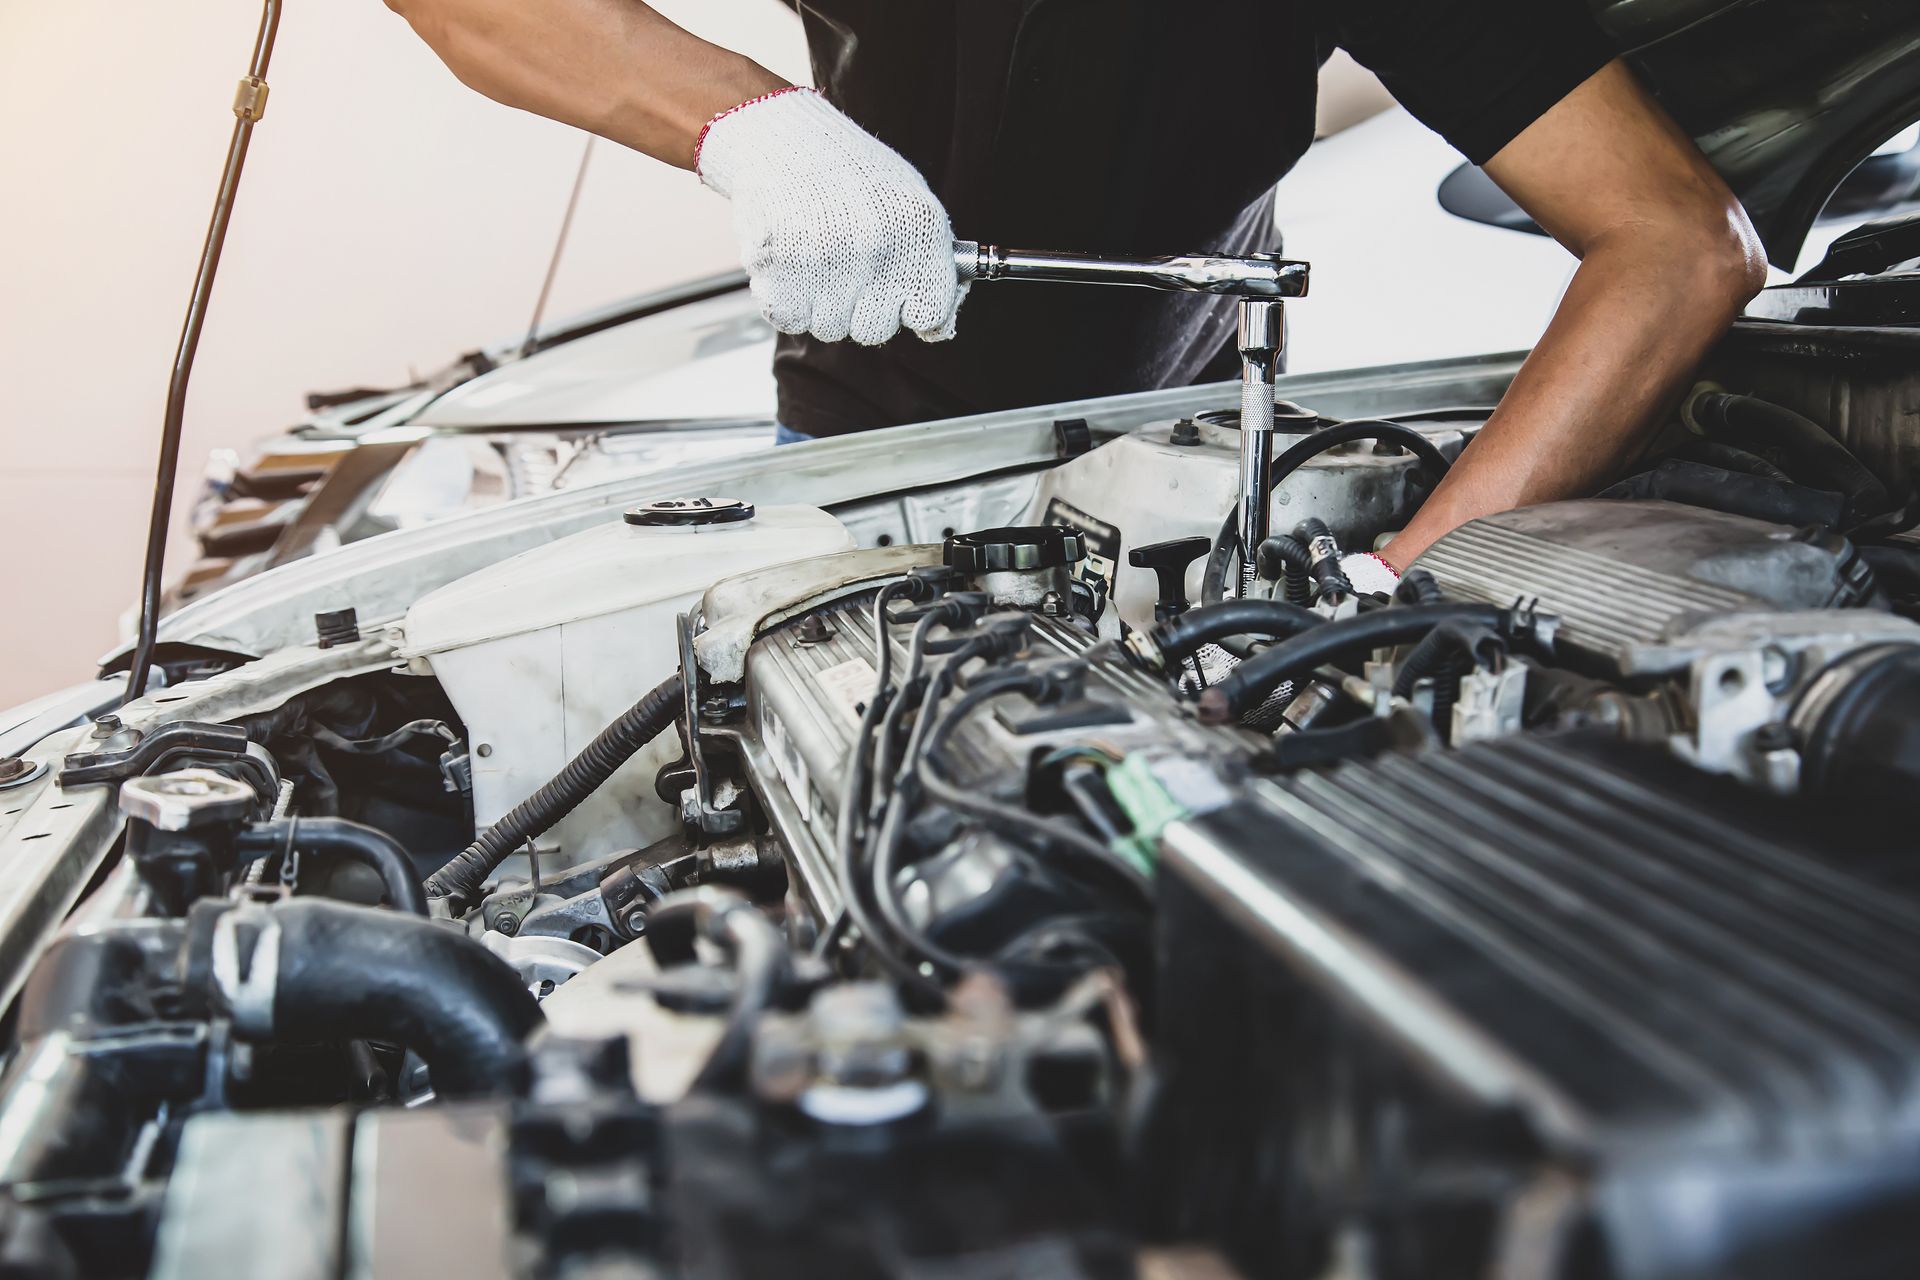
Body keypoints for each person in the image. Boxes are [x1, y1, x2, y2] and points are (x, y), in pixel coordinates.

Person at [384, 0, 1765, 585]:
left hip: (1169, 493)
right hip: (863, 460)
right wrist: (741, 121)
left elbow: (1677, 239)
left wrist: (1403, 583)